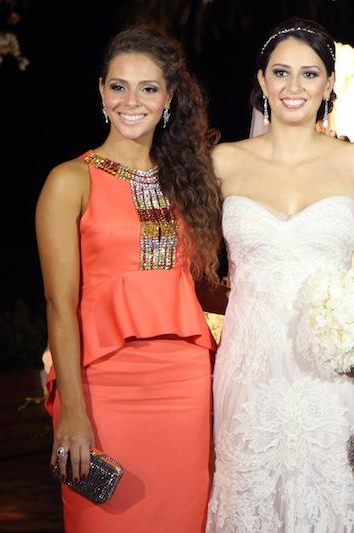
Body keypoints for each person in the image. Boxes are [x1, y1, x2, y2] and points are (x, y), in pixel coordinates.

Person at [205, 17, 354, 532]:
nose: (294, 86)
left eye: (309, 74)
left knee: (329, 494)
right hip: (249, 363)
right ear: (262, 80)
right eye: (281, 72)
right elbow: (192, 267)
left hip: (329, 370)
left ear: (329, 84)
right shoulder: (223, 164)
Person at [35, 26, 221, 532]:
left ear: (169, 98)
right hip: (101, 389)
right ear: (101, 91)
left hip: (184, 384)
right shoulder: (69, 180)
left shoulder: (190, 180)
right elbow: (59, 305)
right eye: (118, 86)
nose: (131, 101)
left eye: (148, 88)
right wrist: (72, 411)